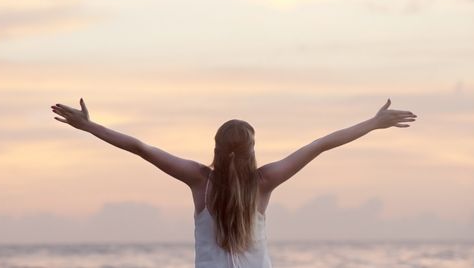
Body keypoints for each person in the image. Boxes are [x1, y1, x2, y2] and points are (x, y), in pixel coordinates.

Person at [51, 98, 417, 267]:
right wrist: (373, 123)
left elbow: (139, 147)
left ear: (216, 146)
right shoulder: (265, 180)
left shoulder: (199, 180)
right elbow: (321, 144)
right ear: (252, 150)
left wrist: (89, 126)